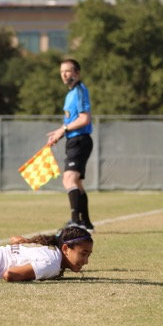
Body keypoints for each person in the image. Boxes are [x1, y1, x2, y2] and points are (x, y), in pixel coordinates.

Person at [47, 59, 94, 232]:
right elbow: (73, 120)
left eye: (68, 71)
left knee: (69, 179)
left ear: (77, 73)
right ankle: (86, 223)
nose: (64, 75)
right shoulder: (71, 93)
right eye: (62, 72)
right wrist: (59, 132)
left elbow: (84, 119)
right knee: (77, 183)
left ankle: (75, 222)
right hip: (75, 140)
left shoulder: (80, 91)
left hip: (80, 140)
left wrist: (64, 129)